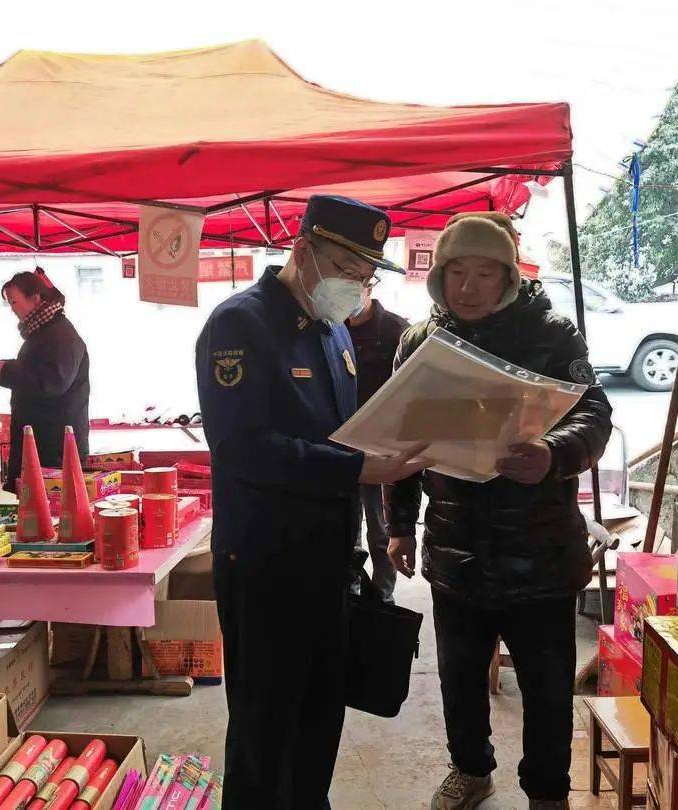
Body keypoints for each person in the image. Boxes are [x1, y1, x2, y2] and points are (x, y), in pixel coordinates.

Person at [196, 195, 429, 809]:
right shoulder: (240, 324)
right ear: (301, 252)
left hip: (328, 559)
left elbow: (341, 430)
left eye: (366, 276)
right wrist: (358, 466)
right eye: (348, 271)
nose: (357, 287)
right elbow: (243, 447)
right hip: (266, 563)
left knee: (320, 714)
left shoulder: (332, 332)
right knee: (265, 723)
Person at [384, 212, 613, 810]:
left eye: (485, 273)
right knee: (460, 677)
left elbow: (595, 414)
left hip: (540, 550)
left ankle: (547, 791)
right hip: (454, 546)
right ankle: (471, 770)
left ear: (508, 276)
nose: (469, 286)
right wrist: (399, 526)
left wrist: (555, 454)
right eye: (456, 272)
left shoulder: (551, 334)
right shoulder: (419, 341)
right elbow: (403, 442)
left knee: (545, 683)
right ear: (439, 278)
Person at [0, 268, 90, 492]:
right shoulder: (42, 332)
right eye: (9, 303)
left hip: (55, 444)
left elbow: (52, 381)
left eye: (15, 302)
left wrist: (7, 372)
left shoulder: (60, 335)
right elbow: (34, 371)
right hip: (41, 438)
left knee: (50, 512)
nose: (12, 309)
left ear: (35, 298)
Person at [346, 287, 408, 603]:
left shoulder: (396, 330)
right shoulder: (332, 328)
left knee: (381, 534)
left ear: (369, 287)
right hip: (342, 449)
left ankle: (383, 598)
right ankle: (352, 599)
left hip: (384, 450)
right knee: (347, 532)